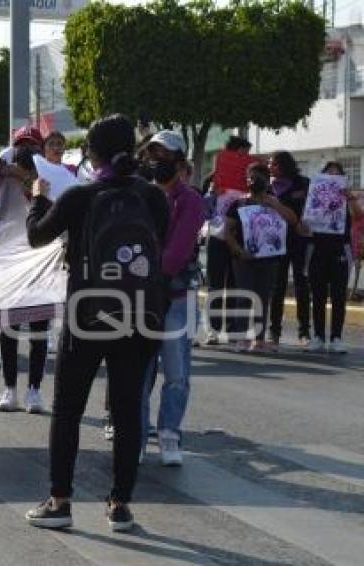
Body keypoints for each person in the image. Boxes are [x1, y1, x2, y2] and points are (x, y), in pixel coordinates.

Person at [24, 114, 169, 531]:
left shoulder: (79, 197)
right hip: (141, 315)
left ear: (91, 152)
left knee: (68, 409)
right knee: (127, 412)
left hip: (87, 314)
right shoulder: (154, 197)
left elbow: (36, 235)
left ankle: (60, 501)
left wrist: (38, 197)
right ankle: (120, 505)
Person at [139, 131, 205, 466]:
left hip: (176, 296)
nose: (156, 160)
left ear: (180, 163)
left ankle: (169, 434)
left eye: (164, 155)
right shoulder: (141, 195)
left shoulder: (190, 199)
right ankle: (135, 437)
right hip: (140, 295)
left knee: (176, 373)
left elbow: (177, 250)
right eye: (152, 154)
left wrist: (157, 280)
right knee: (138, 372)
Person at [0, 145, 51, 414]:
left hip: (40, 270)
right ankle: (10, 388)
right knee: (8, 330)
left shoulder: (46, 191)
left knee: (38, 332)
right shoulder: (1, 194)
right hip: (9, 272)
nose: (17, 174)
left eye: (22, 170)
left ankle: (34, 390)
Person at [225, 163, 303, 352]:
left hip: (269, 260)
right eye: (250, 177)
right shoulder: (239, 203)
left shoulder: (274, 202)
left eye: (258, 177)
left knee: (262, 299)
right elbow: (227, 231)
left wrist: (276, 205)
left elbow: (293, 221)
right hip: (244, 259)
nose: (253, 181)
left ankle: (258, 340)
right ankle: (241, 338)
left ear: (267, 181)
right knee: (244, 297)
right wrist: (238, 250)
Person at [304, 162, 363, 352]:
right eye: (328, 175)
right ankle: (318, 336)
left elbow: (358, 216)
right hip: (317, 247)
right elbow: (305, 223)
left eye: (336, 176)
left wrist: (350, 198)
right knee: (318, 295)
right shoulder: (314, 195)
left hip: (340, 249)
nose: (332, 179)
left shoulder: (349, 197)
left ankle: (336, 337)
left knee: (338, 295)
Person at [204, 136, 253, 345]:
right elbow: (204, 208)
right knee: (216, 284)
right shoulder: (213, 180)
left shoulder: (251, 179)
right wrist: (213, 193)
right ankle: (213, 330)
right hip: (217, 235)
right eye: (243, 152)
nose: (245, 158)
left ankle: (232, 329)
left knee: (234, 284)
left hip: (237, 236)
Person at [268, 151, 311, 346]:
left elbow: (313, 207)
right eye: (270, 164)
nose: (271, 167)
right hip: (276, 242)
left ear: (284, 165)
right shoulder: (267, 186)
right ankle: (274, 331)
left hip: (300, 240)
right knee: (278, 286)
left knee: (302, 285)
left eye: (274, 164)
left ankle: (304, 332)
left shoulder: (303, 183)